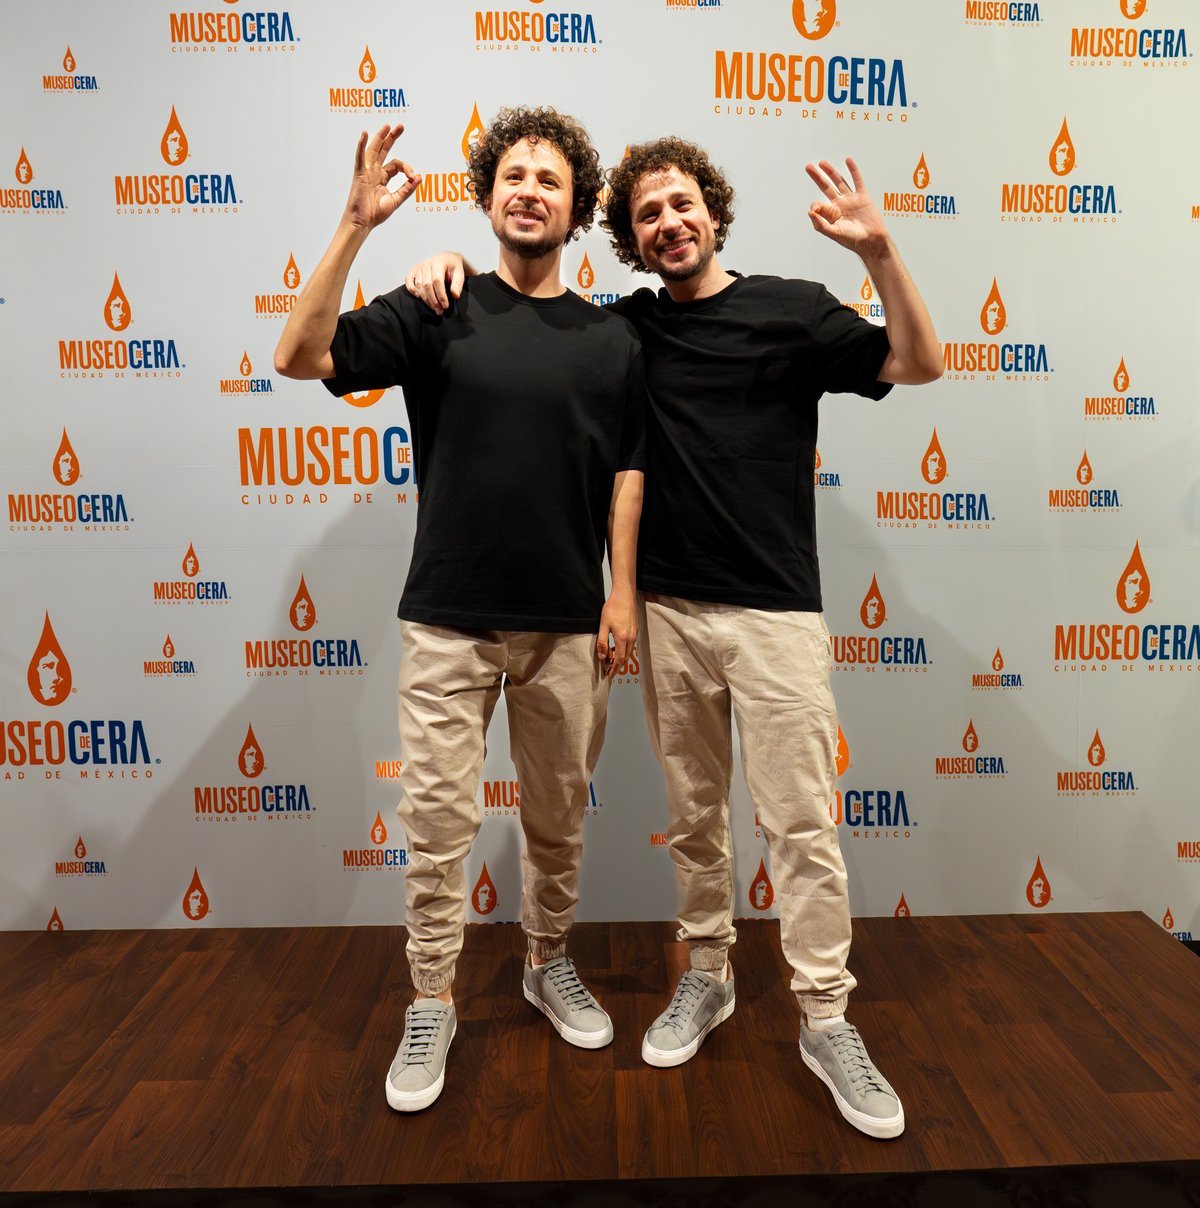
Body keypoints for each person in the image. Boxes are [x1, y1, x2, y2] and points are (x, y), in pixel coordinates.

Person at [407, 135, 941, 1139]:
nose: (669, 223)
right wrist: (443, 270)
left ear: (713, 210)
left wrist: (879, 253)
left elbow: (918, 361)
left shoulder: (791, 307)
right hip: (666, 613)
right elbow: (535, 327)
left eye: (682, 203)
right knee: (695, 820)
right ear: (631, 237)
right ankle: (709, 972)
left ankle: (827, 1020)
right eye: (647, 213)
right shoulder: (627, 331)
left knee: (800, 825)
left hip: (775, 609)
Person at [274, 111, 646, 1114]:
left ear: (577, 209)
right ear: (487, 197)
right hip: (449, 618)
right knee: (438, 826)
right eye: (514, 174)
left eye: (551, 180)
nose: (530, 190)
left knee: (557, 821)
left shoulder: (614, 337)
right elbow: (299, 355)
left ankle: (546, 961)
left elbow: (628, 472)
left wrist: (620, 593)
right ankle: (431, 998)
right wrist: (356, 227)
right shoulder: (438, 304)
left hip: (568, 625)